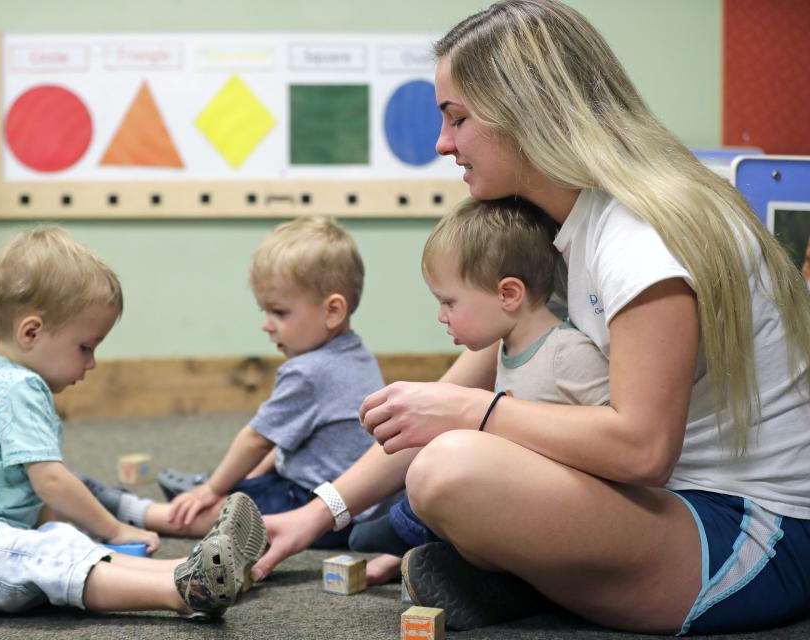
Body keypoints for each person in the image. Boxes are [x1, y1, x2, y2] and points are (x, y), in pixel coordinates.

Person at [251, 0, 810, 635]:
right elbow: (443, 396)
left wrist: (470, 416)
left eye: (457, 118)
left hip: (752, 538)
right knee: (449, 458)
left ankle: (523, 585)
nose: (442, 143)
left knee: (450, 468)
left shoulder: (640, 233)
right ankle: (521, 585)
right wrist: (319, 513)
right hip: (665, 508)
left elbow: (643, 449)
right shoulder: (566, 225)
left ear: (528, 109)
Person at [0, 225, 265, 618]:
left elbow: (31, 498)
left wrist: (68, 535)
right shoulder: (19, 387)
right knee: (49, 552)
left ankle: (189, 571)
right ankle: (178, 591)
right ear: (31, 332)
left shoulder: (1, 379)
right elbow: (50, 481)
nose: (91, 363)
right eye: (85, 347)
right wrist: (114, 530)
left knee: (59, 539)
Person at [348, 196, 609, 585]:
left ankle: (410, 531)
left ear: (508, 295)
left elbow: (614, 434)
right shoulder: (509, 348)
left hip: (563, 510)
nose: (441, 316)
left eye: (448, 302)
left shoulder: (567, 353)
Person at [80, 215, 384, 549]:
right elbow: (288, 440)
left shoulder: (308, 372)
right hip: (358, 498)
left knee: (231, 513)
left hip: (314, 502)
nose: (267, 326)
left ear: (332, 311)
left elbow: (256, 440)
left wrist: (214, 490)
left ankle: (142, 511)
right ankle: (224, 484)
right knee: (246, 482)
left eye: (279, 313)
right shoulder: (357, 352)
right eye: (264, 312)